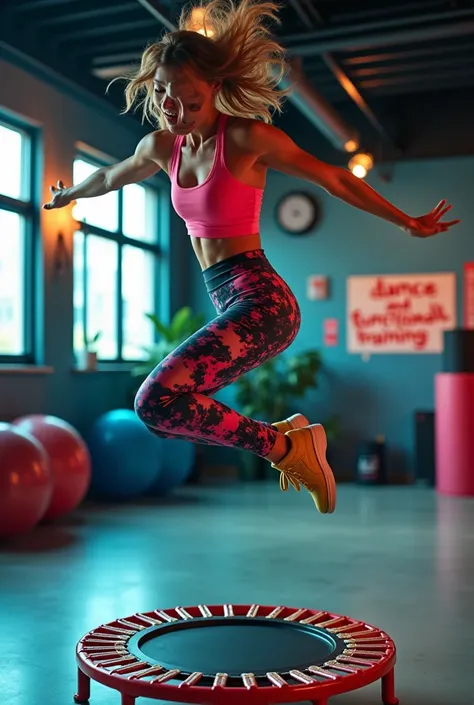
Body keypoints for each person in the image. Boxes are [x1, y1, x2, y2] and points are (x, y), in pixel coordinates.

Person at [43, 0, 459, 514]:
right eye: (165, 96)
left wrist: (406, 220)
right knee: (162, 409)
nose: (175, 110)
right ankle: (288, 445)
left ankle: (288, 448)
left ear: (215, 89)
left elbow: (332, 178)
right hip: (229, 299)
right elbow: (111, 175)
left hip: (262, 301)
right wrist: (72, 195)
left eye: (189, 101)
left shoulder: (244, 138)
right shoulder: (161, 146)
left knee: (153, 401)